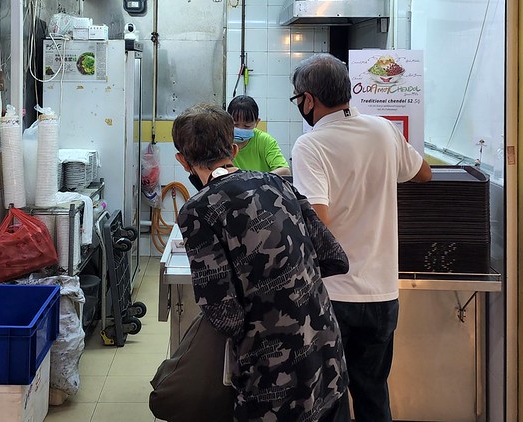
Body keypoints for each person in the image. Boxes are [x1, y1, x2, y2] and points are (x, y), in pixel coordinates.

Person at [172, 103, 351, 422]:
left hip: (273, 375)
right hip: (328, 357)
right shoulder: (280, 184)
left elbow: (224, 314)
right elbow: (334, 257)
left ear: (182, 160)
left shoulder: (197, 210)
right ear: (234, 148)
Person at [290, 53, 432, 422]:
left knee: (330, 398)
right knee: (373, 393)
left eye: (297, 99)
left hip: (336, 295)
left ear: (309, 99)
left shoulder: (311, 145)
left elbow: (317, 225)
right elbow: (424, 174)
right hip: (383, 294)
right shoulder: (383, 129)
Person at [226, 95, 290, 177]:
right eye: (235, 125)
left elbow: (285, 171)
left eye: (247, 126)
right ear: (227, 120)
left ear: (257, 122)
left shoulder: (265, 141)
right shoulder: (221, 141)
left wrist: (258, 179)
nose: (240, 129)